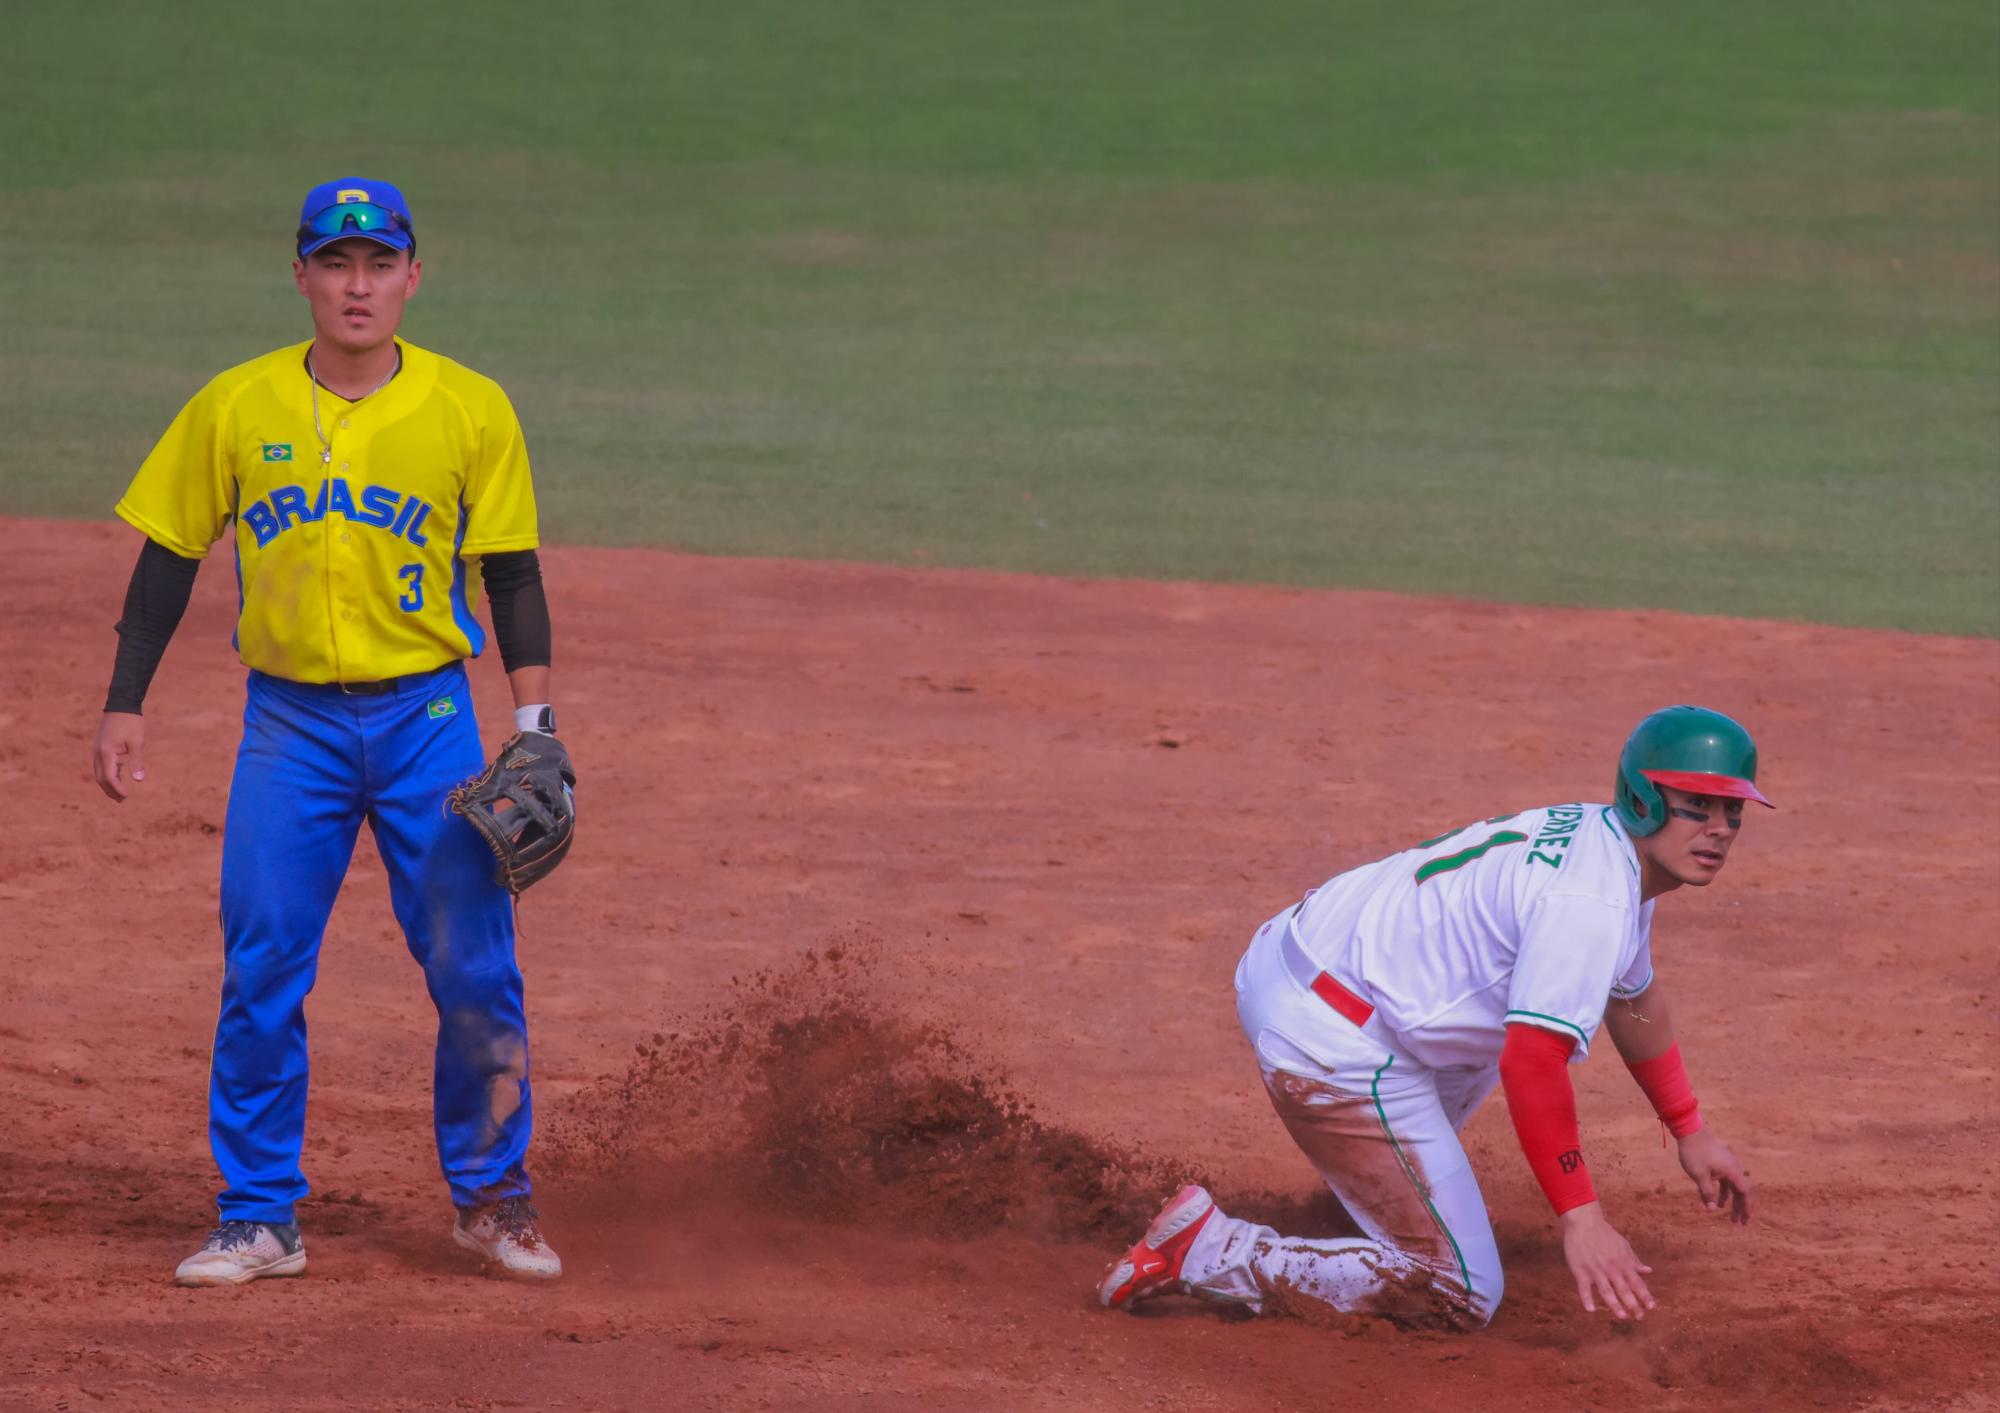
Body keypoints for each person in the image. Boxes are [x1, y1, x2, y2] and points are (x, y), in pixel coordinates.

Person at [91, 178, 568, 1286]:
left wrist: (534, 723)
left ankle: (493, 1201)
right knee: (262, 964)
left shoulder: (470, 407)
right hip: (288, 727)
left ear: (412, 276)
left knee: (474, 968)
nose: (357, 285)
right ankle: (259, 1215)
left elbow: (512, 573)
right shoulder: (234, 404)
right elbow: (169, 555)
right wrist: (125, 699)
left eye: (377, 263)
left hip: (428, 721)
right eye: (334, 263)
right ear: (300, 274)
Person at [1097, 705, 1765, 1328]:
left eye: (1731, 811)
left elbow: (1633, 994)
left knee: (1485, 1031)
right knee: (1460, 1289)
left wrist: (1689, 1129)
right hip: (1329, 1033)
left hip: (1321, 960)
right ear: (1645, 799)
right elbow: (1533, 1063)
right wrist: (1582, 1217)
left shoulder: (1608, 845)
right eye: (1697, 805)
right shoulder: (1589, 898)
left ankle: (1384, 1201)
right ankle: (1210, 1249)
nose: (1719, 829)